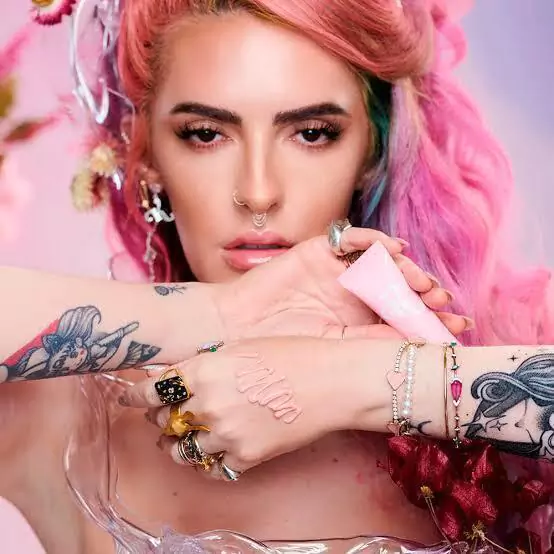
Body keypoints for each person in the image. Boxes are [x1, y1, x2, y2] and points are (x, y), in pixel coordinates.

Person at [1, 0, 551, 552]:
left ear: (373, 152)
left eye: (311, 133)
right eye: (205, 134)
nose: (258, 192)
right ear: (145, 156)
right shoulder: (68, 419)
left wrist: (358, 384)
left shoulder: (514, 336)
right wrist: (224, 313)